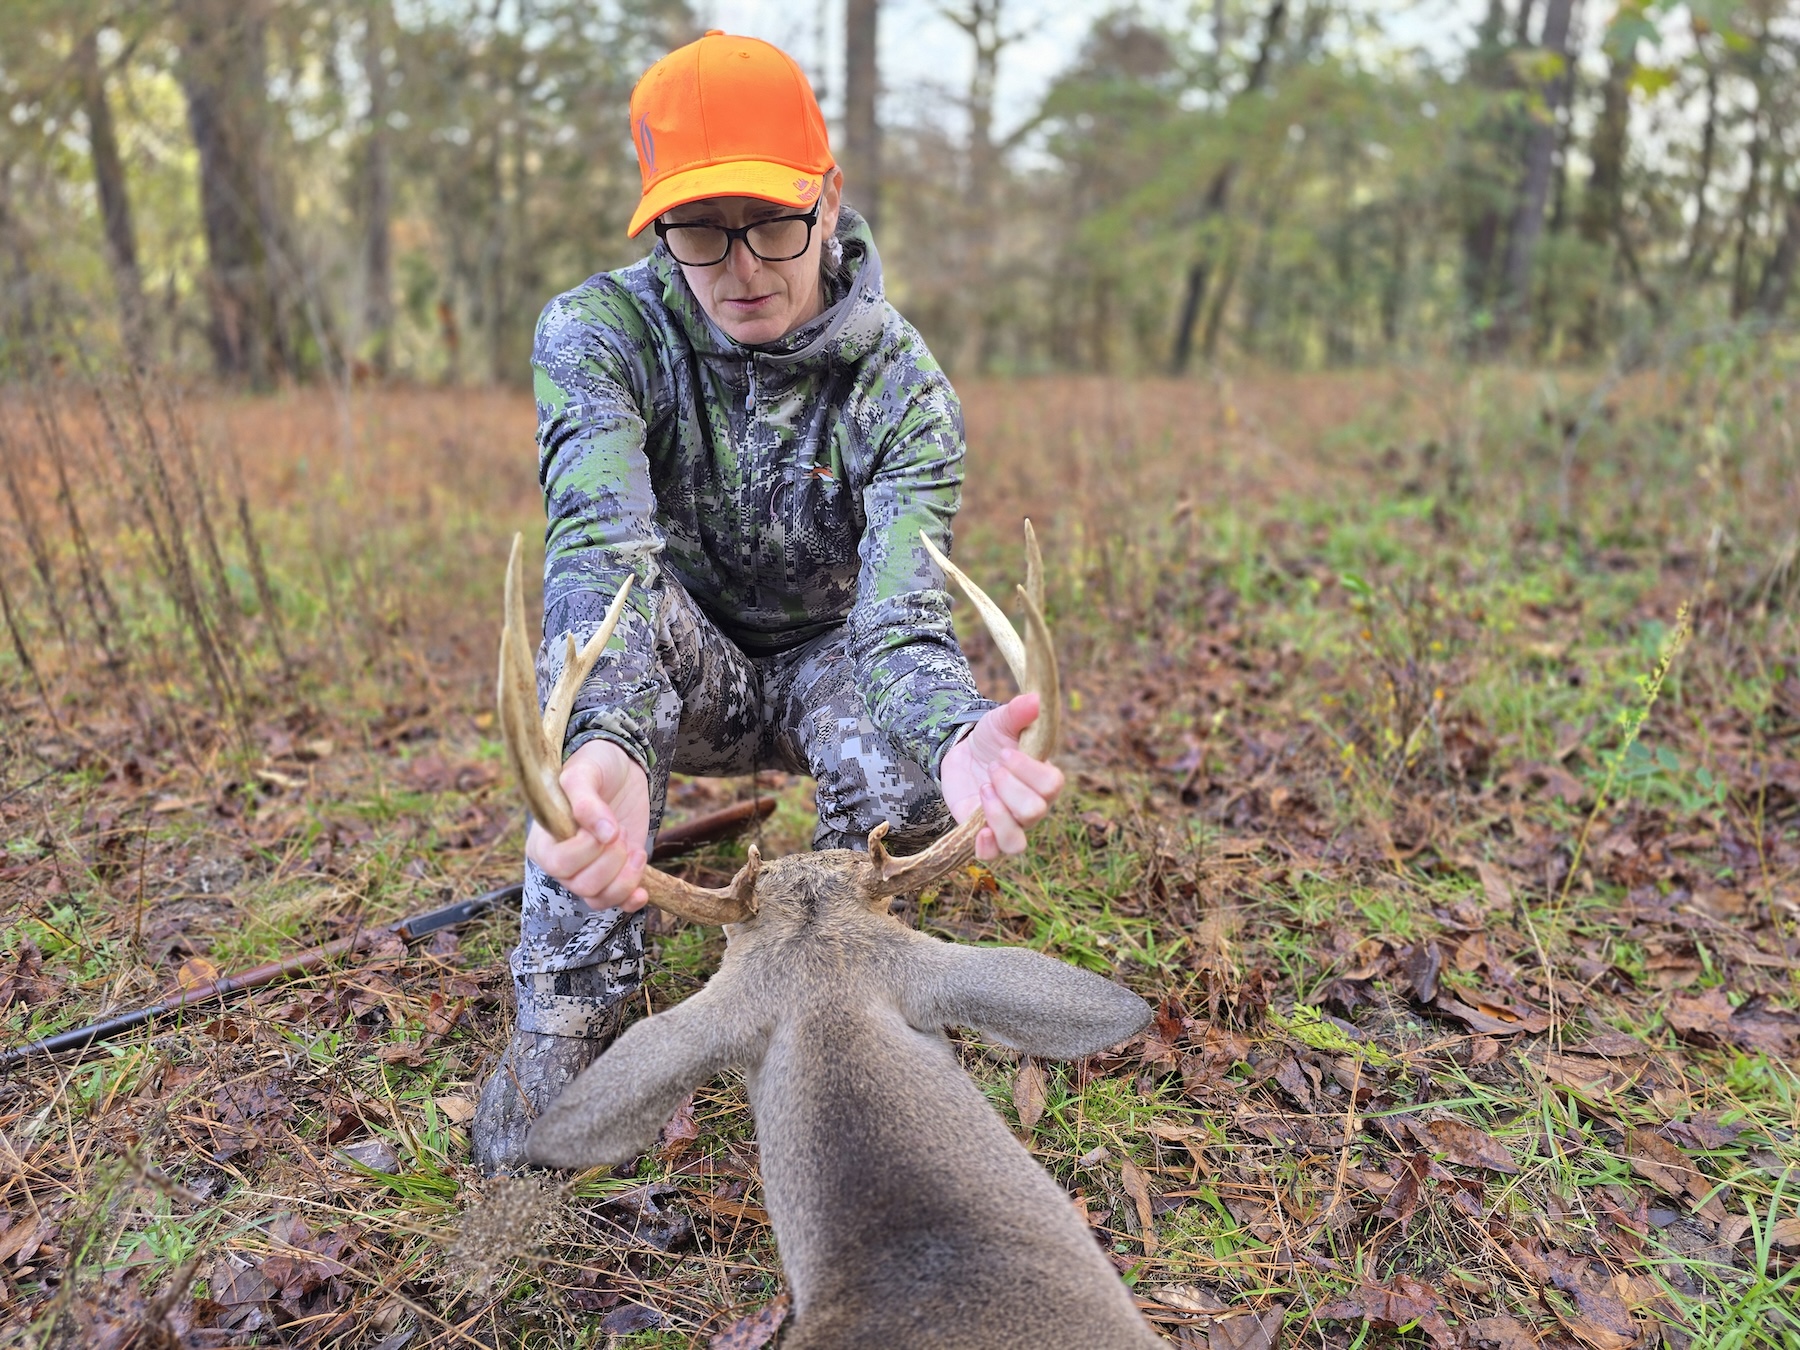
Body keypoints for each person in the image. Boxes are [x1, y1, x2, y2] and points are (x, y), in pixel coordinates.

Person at [473, 29, 1065, 1173]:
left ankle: (840, 997)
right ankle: (573, 1031)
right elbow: (605, 558)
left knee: (903, 777)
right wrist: (602, 746)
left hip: (826, 670)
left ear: (829, 199)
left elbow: (899, 616)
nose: (743, 266)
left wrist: (952, 740)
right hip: (674, 662)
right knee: (595, 700)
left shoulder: (902, 387)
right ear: (656, 227)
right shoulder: (599, 335)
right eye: (700, 230)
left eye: (774, 224)